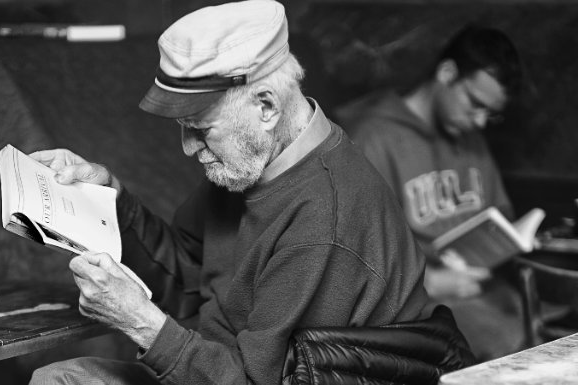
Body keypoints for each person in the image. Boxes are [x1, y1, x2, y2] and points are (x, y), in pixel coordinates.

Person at [28, 1, 431, 384]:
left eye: (201, 129)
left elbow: (261, 380)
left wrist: (140, 322)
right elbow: (186, 277)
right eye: (183, 127)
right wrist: (107, 201)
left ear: (267, 107)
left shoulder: (325, 221)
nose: (188, 147)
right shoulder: (251, 162)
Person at [335, 24, 524, 361]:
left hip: (485, 291)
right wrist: (432, 282)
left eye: (490, 114)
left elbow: (500, 213)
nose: (480, 121)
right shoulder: (371, 137)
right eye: (475, 104)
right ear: (447, 72)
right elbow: (354, 254)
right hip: (421, 306)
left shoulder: (469, 134)